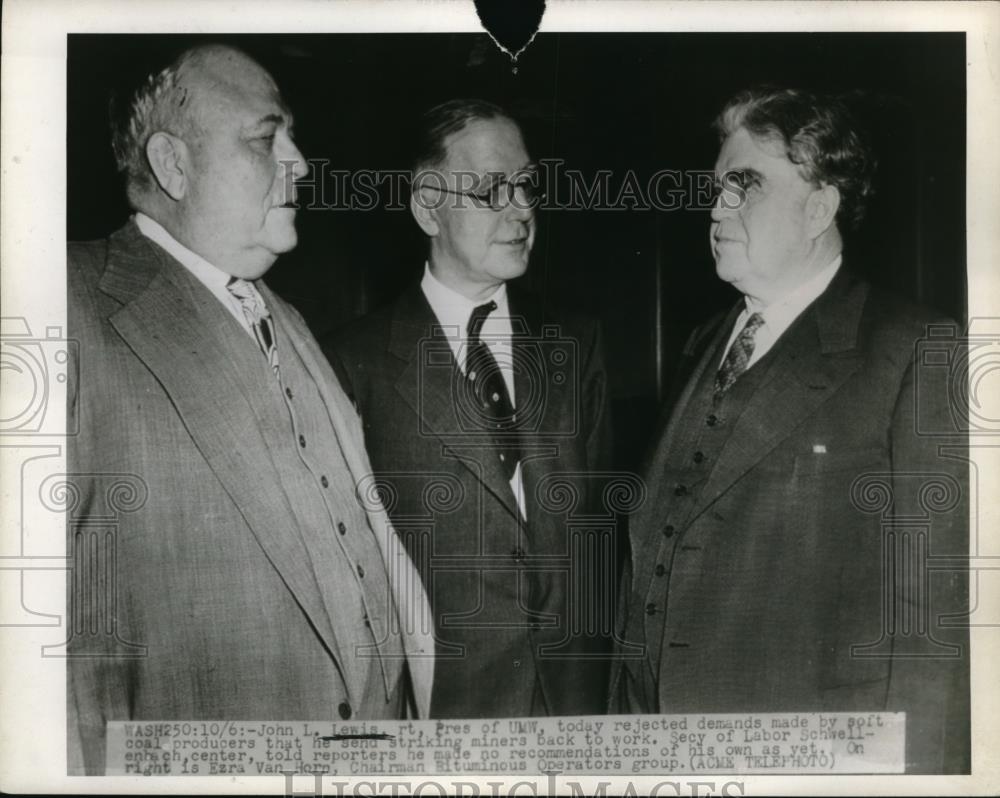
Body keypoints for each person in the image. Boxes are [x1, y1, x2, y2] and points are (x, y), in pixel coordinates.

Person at [66, 44, 433, 775]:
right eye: (267, 139)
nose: (298, 160)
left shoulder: (287, 316)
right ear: (173, 165)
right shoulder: (66, 300)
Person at [611, 87, 969, 773]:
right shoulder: (703, 342)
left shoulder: (915, 348)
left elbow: (934, 625)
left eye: (744, 187)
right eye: (717, 188)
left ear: (818, 207)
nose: (716, 208)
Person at [324, 99, 613, 717]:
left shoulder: (577, 344)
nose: (523, 209)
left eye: (527, 185)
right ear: (428, 206)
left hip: (579, 710)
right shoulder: (353, 364)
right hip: (448, 719)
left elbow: (598, 543)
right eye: (491, 191)